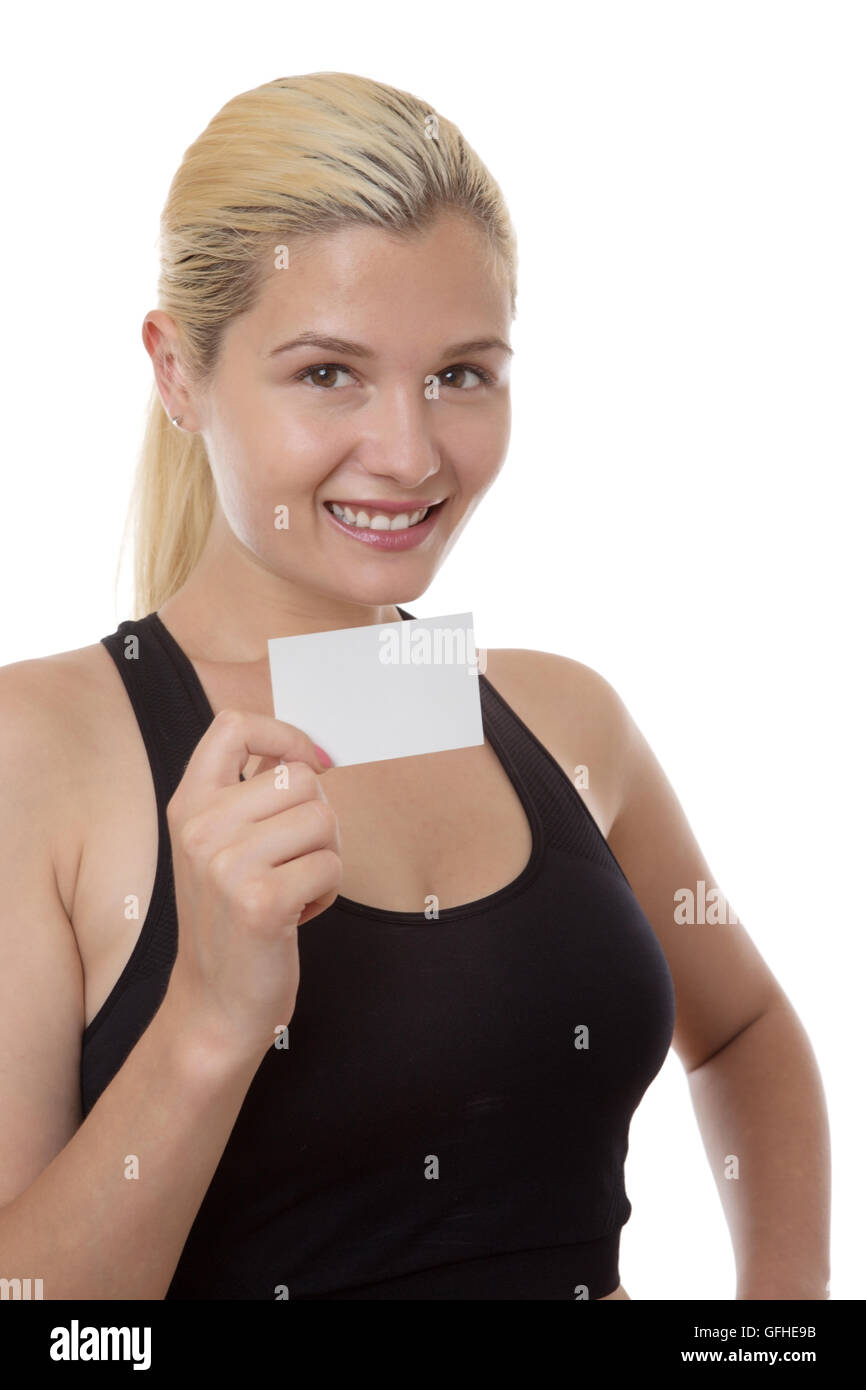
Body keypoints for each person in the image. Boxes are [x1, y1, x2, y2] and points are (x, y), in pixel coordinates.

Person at [0, 72, 830, 1301]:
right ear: (178, 370)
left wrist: (776, 1324)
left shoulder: (563, 717)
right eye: (328, 373)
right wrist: (210, 1017)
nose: (407, 451)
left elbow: (750, 1032)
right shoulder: (40, 752)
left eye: (460, 373)